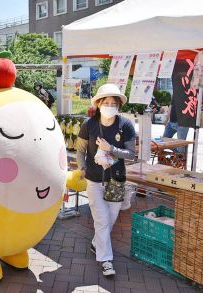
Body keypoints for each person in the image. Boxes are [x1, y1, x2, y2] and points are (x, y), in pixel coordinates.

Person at [76, 83, 136, 277]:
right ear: (99, 103)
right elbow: (81, 149)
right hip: (94, 181)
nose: (110, 105)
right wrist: (82, 167)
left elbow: (131, 154)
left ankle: (96, 244)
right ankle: (106, 261)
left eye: (114, 103)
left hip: (116, 181)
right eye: (106, 102)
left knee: (110, 220)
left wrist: (111, 148)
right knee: (102, 221)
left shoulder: (125, 125)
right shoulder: (89, 124)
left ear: (118, 106)